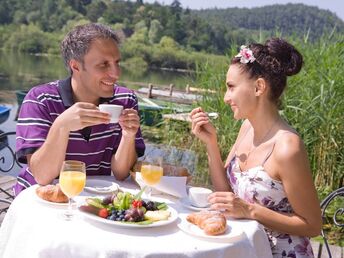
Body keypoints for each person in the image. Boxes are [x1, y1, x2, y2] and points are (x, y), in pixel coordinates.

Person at [190, 38, 322, 258]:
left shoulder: (288, 147)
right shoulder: (246, 128)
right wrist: (211, 144)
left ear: (259, 87)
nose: (225, 98)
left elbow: (312, 225)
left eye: (231, 87)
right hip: (245, 250)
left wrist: (250, 210)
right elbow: (226, 196)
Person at [14, 23, 145, 196]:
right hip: (40, 199)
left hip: (92, 199)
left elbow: (121, 174)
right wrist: (62, 126)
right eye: (104, 64)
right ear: (75, 66)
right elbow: (42, 176)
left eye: (117, 62)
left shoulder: (125, 100)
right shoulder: (40, 99)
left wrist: (129, 135)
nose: (116, 73)